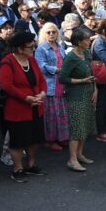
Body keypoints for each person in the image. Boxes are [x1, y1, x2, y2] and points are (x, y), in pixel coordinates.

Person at [0, 31, 48, 182]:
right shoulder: (8, 62)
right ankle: (17, 168)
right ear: (20, 49)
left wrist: (42, 93)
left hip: (35, 106)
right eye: (30, 47)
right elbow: (7, 85)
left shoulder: (31, 60)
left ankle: (31, 165)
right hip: (18, 109)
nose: (33, 49)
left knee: (34, 138)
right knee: (18, 140)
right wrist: (25, 98)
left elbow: (41, 79)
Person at [59, 28, 97, 172]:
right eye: (86, 39)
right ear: (78, 42)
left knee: (85, 125)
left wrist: (95, 90)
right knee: (76, 128)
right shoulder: (70, 57)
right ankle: (72, 159)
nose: (89, 41)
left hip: (88, 93)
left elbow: (92, 74)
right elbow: (62, 78)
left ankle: (80, 154)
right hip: (75, 96)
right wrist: (82, 80)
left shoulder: (86, 53)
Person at [35, 23, 69, 152]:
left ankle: (62, 137)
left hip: (61, 83)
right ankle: (50, 140)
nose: (51, 34)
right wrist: (57, 70)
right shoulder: (41, 49)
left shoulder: (60, 47)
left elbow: (65, 61)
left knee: (61, 112)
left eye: (54, 32)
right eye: (48, 32)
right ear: (43, 33)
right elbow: (41, 66)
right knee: (51, 115)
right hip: (49, 84)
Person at [91, 20, 106, 142]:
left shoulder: (105, 40)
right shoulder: (99, 42)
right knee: (102, 104)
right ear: (104, 30)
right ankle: (101, 131)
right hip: (101, 78)